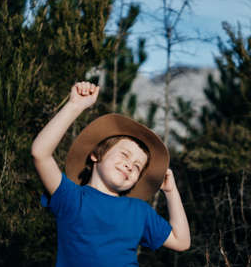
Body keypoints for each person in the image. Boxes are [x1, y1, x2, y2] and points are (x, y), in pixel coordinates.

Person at [31, 81, 190, 266]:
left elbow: (182, 241)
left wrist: (171, 192)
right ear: (96, 154)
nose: (130, 165)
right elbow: (40, 153)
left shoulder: (139, 211)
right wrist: (74, 106)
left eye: (138, 166)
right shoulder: (71, 197)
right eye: (124, 154)